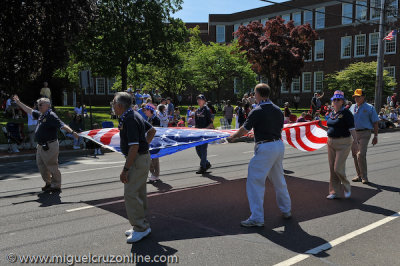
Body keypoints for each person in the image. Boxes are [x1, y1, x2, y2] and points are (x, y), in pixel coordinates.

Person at [227, 83, 292, 227]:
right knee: (279, 180)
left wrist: (233, 137)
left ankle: (257, 217)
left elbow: (244, 129)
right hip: (278, 145)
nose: (253, 97)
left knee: (255, 181)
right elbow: (275, 127)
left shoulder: (257, 110)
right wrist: (257, 133)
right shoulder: (277, 110)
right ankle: (286, 209)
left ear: (259, 94)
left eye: (254, 94)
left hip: (266, 147)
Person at [112, 92, 156, 244]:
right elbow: (152, 131)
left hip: (137, 160)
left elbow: (134, 146)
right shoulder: (134, 114)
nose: (112, 106)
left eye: (113, 103)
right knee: (139, 192)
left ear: (119, 105)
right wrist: (145, 147)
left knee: (131, 193)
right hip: (142, 158)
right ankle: (141, 224)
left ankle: (140, 228)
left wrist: (125, 169)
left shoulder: (130, 118)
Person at [13, 96, 79, 193]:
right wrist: (19, 103)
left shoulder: (51, 115)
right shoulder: (41, 115)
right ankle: (49, 183)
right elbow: (29, 110)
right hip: (41, 145)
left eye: (40, 104)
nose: (38, 106)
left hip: (50, 145)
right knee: (41, 166)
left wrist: (72, 132)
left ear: (47, 105)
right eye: (38, 104)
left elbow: (62, 124)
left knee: (52, 165)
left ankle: (56, 185)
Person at [318, 91, 357, 200]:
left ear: (342, 102)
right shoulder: (331, 113)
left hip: (343, 143)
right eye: (334, 99)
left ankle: (347, 187)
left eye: (338, 99)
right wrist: (321, 126)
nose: (335, 101)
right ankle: (334, 192)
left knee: (337, 168)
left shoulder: (346, 113)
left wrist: (356, 142)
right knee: (332, 169)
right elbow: (330, 129)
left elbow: (352, 129)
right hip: (330, 142)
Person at [349, 89, 379, 184]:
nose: (356, 98)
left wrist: (376, 136)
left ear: (363, 97)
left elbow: (375, 122)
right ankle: (359, 175)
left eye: (358, 96)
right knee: (354, 154)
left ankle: (364, 176)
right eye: (355, 97)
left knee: (360, 154)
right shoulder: (352, 107)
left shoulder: (370, 108)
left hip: (365, 133)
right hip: (354, 134)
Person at [194, 94, 214, 174]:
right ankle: (206, 163)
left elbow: (211, 123)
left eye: (200, 99)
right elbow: (196, 123)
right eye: (198, 99)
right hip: (198, 133)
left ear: (204, 101)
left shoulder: (207, 110)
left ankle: (203, 167)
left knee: (203, 150)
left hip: (205, 133)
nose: (199, 101)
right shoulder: (197, 111)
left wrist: (205, 129)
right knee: (198, 149)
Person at [144, 104, 161, 183]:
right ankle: (155, 174)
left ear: (150, 111)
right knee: (151, 158)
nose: (145, 111)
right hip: (149, 141)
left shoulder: (156, 119)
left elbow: (156, 131)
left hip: (154, 141)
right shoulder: (148, 119)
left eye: (146, 110)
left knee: (154, 158)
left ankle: (155, 174)